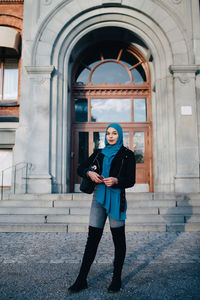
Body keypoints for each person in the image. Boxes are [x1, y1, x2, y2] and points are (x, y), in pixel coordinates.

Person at [68, 123, 136, 293]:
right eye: (108, 133)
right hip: (98, 198)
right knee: (92, 240)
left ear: (119, 135)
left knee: (118, 241)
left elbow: (131, 180)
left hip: (116, 200)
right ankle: (81, 279)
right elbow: (80, 168)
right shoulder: (98, 153)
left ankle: (116, 279)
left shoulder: (127, 155)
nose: (111, 136)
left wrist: (116, 180)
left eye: (114, 133)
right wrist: (88, 173)